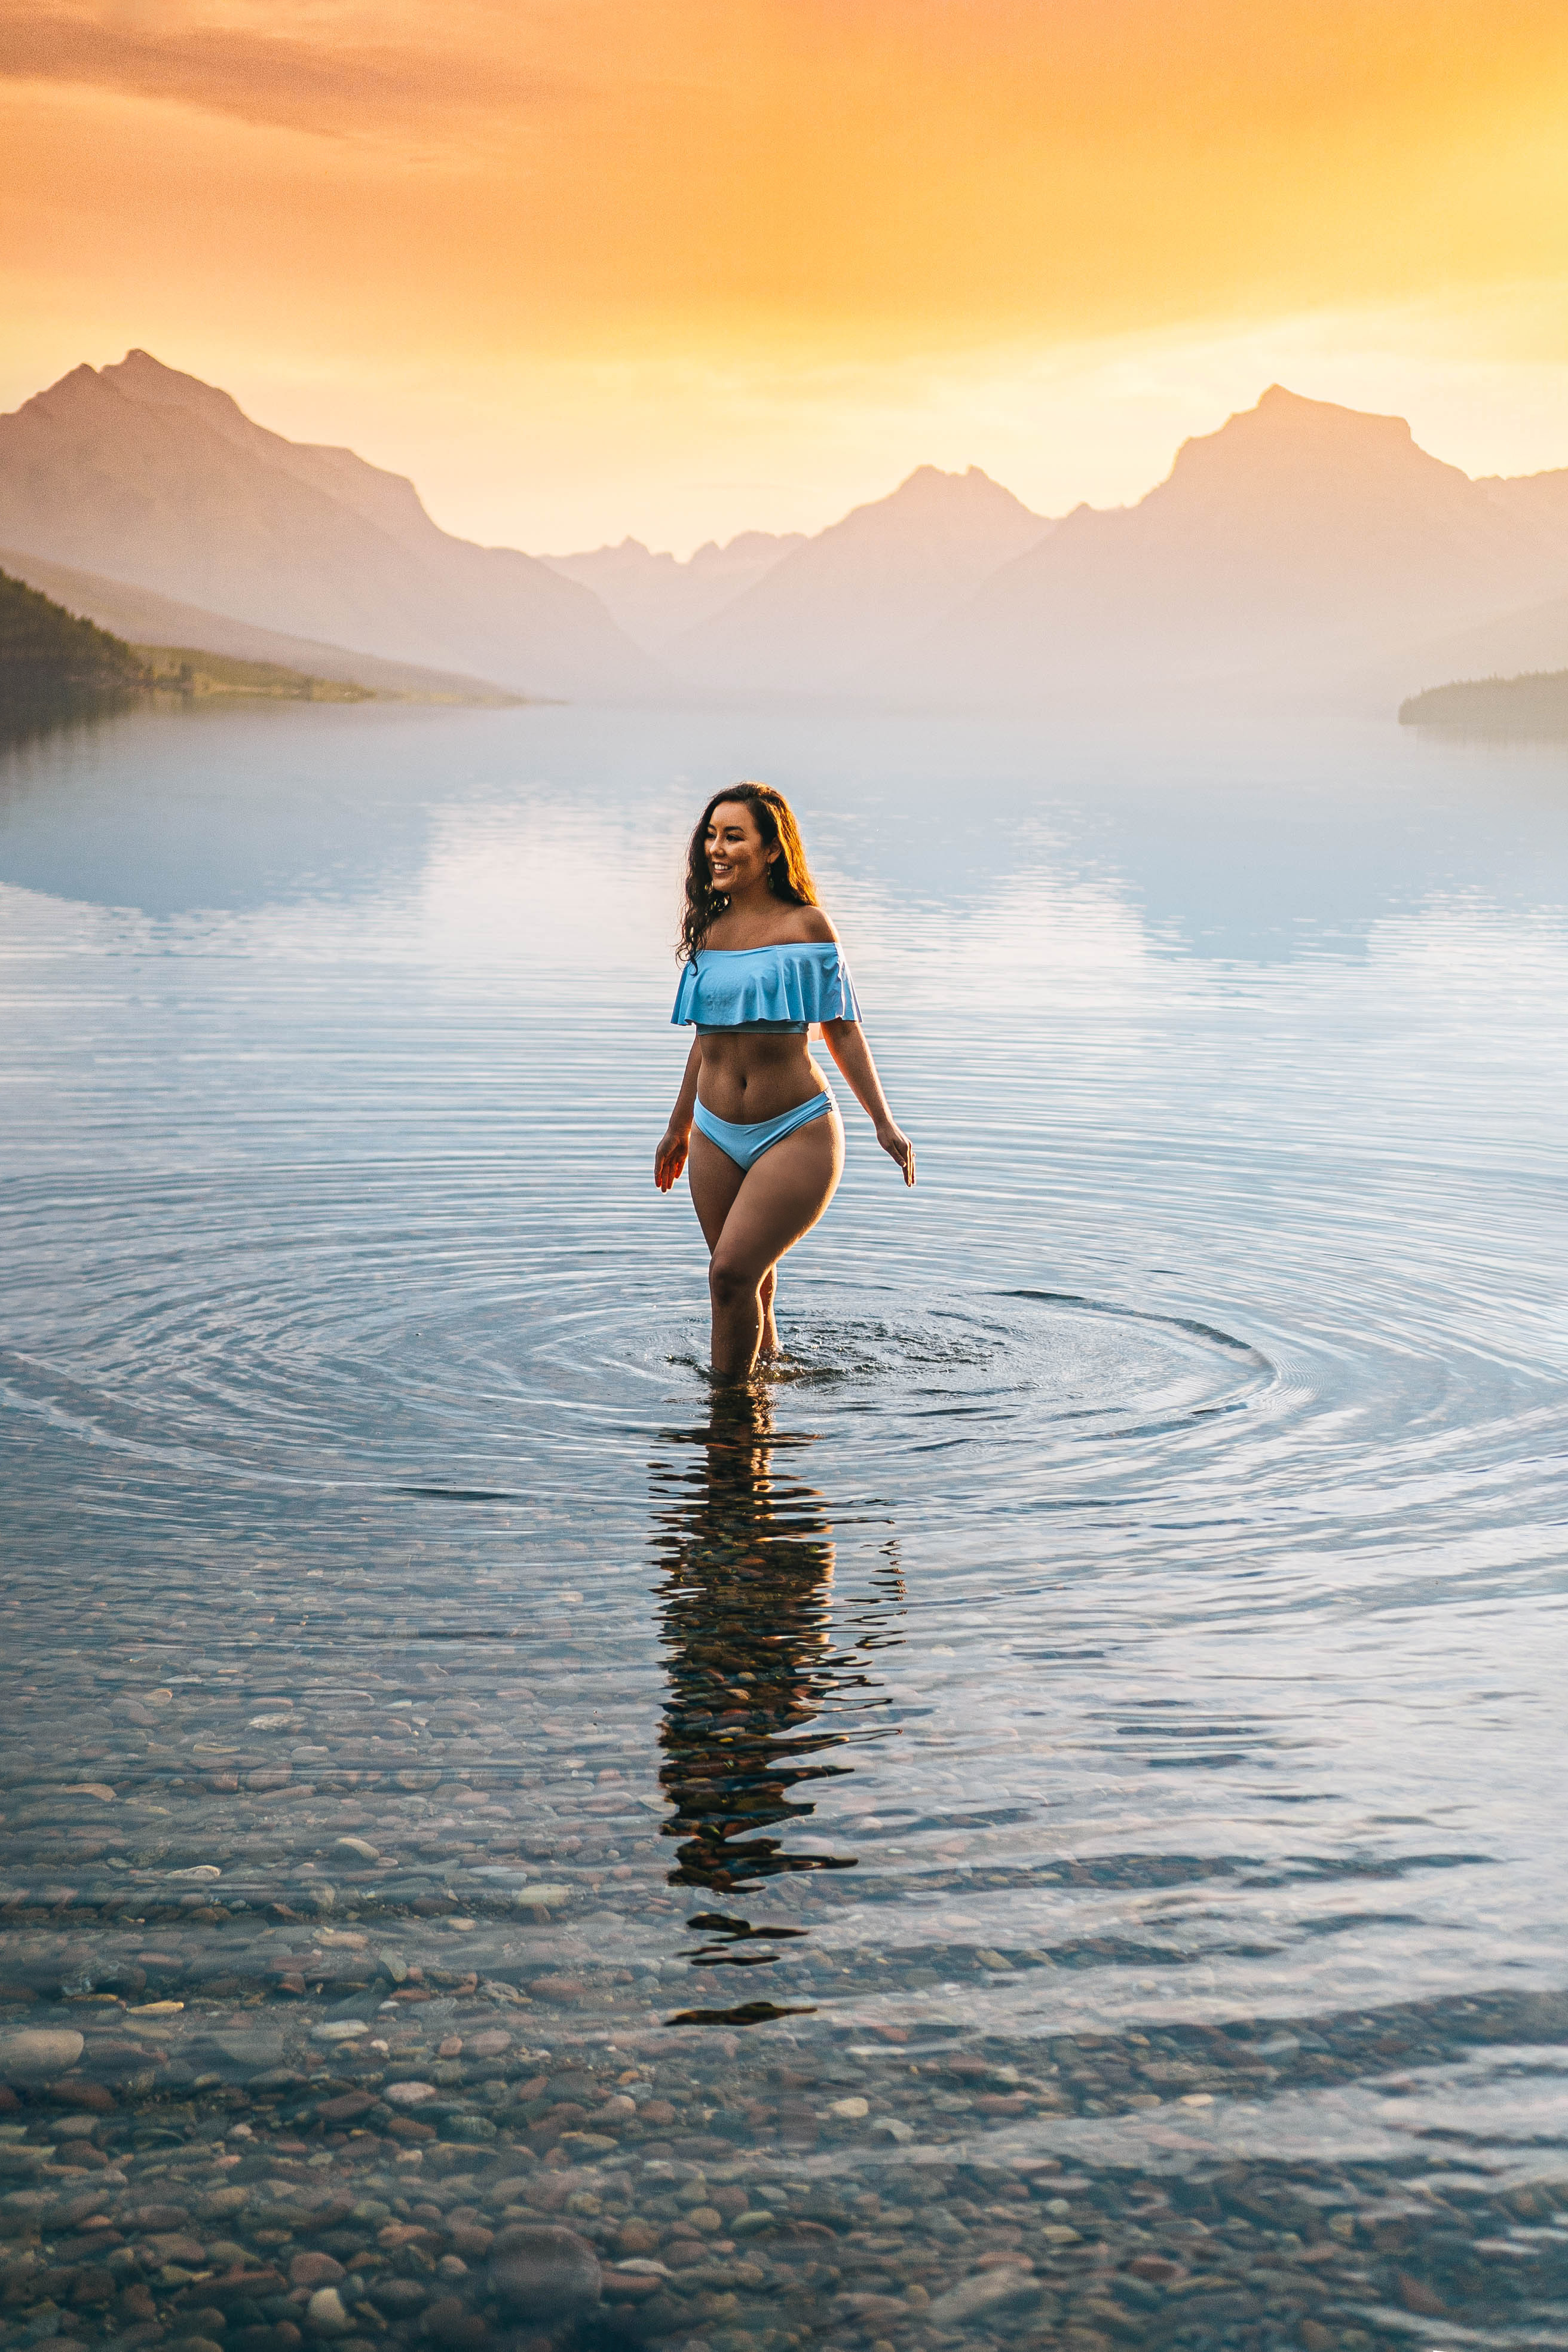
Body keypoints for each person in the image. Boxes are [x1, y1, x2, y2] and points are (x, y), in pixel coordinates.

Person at [654, 782, 914, 1379]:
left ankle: (726, 1418)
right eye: (710, 836)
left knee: (728, 1276)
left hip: (795, 1130)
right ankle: (762, 1405)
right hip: (715, 1132)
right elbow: (705, 1040)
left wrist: (883, 1122)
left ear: (771, 851)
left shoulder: (807, 927)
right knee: (747, 1283)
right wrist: (677, 1130)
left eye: (733, 836)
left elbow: (842, 1029)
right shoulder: (709, 933)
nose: (715, 849)